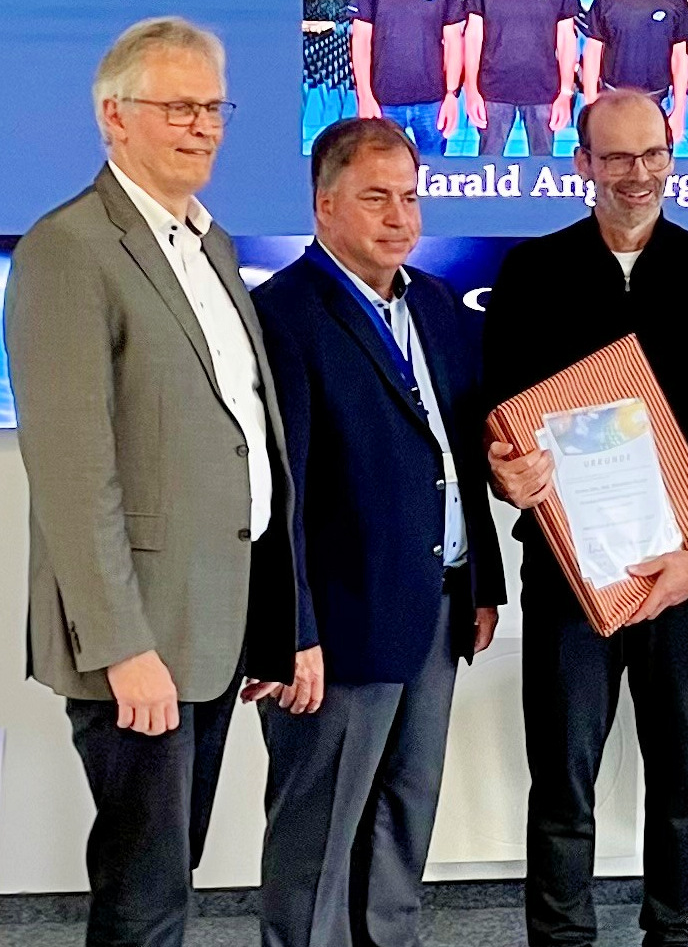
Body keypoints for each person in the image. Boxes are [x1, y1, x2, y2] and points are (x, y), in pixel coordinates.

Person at [4, 17, 296, 947]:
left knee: (173, 867)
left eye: (212, 107)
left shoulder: (210, 244)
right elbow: (71, 469)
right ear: (114, 116)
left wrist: (273, 614)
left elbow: (241, 436)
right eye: (177, 107)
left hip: (214, 623)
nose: (201, 126)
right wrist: (122, 644)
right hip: (140, 639)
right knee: (144, 893)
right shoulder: (69, 248)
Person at [481, 88, 688, 946]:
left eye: (652, 154)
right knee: (561, 779)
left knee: (684, 776)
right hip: (568, 575)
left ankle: (676, 933)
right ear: (582, 163)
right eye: (615, 156)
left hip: (687, 572)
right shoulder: (531, 272)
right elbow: (498, 426)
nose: (637, 173)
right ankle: (560, 939)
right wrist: (507, 473)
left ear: (671, 158)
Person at [250, 117, 507, 947]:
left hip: (438, 605)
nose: (400, 217)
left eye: (409, 197)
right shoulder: (283, 314)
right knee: (318, 832)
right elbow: (276, 493)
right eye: (375, 198)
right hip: (337, 623)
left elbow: (457, 453)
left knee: (405, 810)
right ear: (325, 206)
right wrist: (290, 629)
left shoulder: (433, 303)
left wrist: (482, 580)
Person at [465, 0, 581, 158]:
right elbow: (473, 34)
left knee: (542, 166)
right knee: (488, 164)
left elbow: (566, 37)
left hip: (543, 91)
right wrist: (471, 89)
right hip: (493, 89)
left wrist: (566, 93)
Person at [349, 0, 466, 155]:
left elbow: (453, 41)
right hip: (382, 101)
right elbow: (361, 39)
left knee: (433, 166)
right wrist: (364, 96)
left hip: (433, 102)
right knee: (382, 164)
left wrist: (451, 94)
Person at [578, 0, 688, 145]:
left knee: (652, 156)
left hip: (657, 103)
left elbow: (680, 58)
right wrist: (591, 104)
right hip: (613, 99)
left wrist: (679, 112)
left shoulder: (675, 3)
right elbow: (593, 53)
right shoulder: (605, 3)